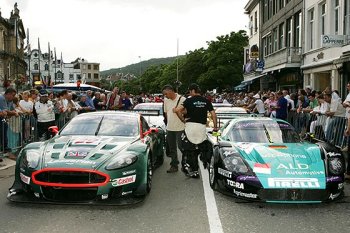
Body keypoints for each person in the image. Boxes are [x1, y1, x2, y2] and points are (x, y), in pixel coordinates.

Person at [174, 83, 218, 178]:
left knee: (189, 150)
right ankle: (207, 163)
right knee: (203, 147)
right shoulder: (206, 101)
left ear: (193, 91)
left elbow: (177, 110)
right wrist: (215, 128)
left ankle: (194, 171)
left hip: (190, 127)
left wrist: (182, 119)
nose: (189, 93)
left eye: (190, 91)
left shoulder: (188, 100)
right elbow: (214, 115)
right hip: (201, 128)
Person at [162, 85, 186, 173]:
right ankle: (174, 165)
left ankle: (186, 163)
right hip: (170, 128)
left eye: (166, 94)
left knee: (181, 147)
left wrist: (178, 111)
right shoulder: (166, 100)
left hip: (180, 128)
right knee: (172, 148)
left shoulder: (182, 99)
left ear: (171, 91)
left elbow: (187, 111)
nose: (165, 96)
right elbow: (166, 113)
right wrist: (168, 123)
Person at [0, 87, 17, 154]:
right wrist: (14, 113)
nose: (13, 97)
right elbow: (5, 111)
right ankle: (3, 148)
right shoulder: (2, 98)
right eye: (13, 95)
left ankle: (4, 148)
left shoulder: (9, 100)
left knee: (3, 133)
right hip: (1, 118)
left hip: (3, 119)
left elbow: (8, 112)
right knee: (2, 134)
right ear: (8, 94)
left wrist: (11, 112)